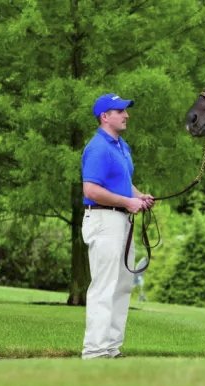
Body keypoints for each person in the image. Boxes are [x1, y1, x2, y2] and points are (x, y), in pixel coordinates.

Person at [80, 93, 154, 359]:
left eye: (126, 110)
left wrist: (139, 196)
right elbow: (91, 189)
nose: (126, 115)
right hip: (104, 220)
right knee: (104, 286)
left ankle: (111, 348)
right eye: (120, 111)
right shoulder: (98, 147)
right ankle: (95, 351)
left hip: (121, 220)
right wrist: (127, 202)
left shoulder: (121, 146)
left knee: (122, 286)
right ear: (105, 116)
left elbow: (122, 182)